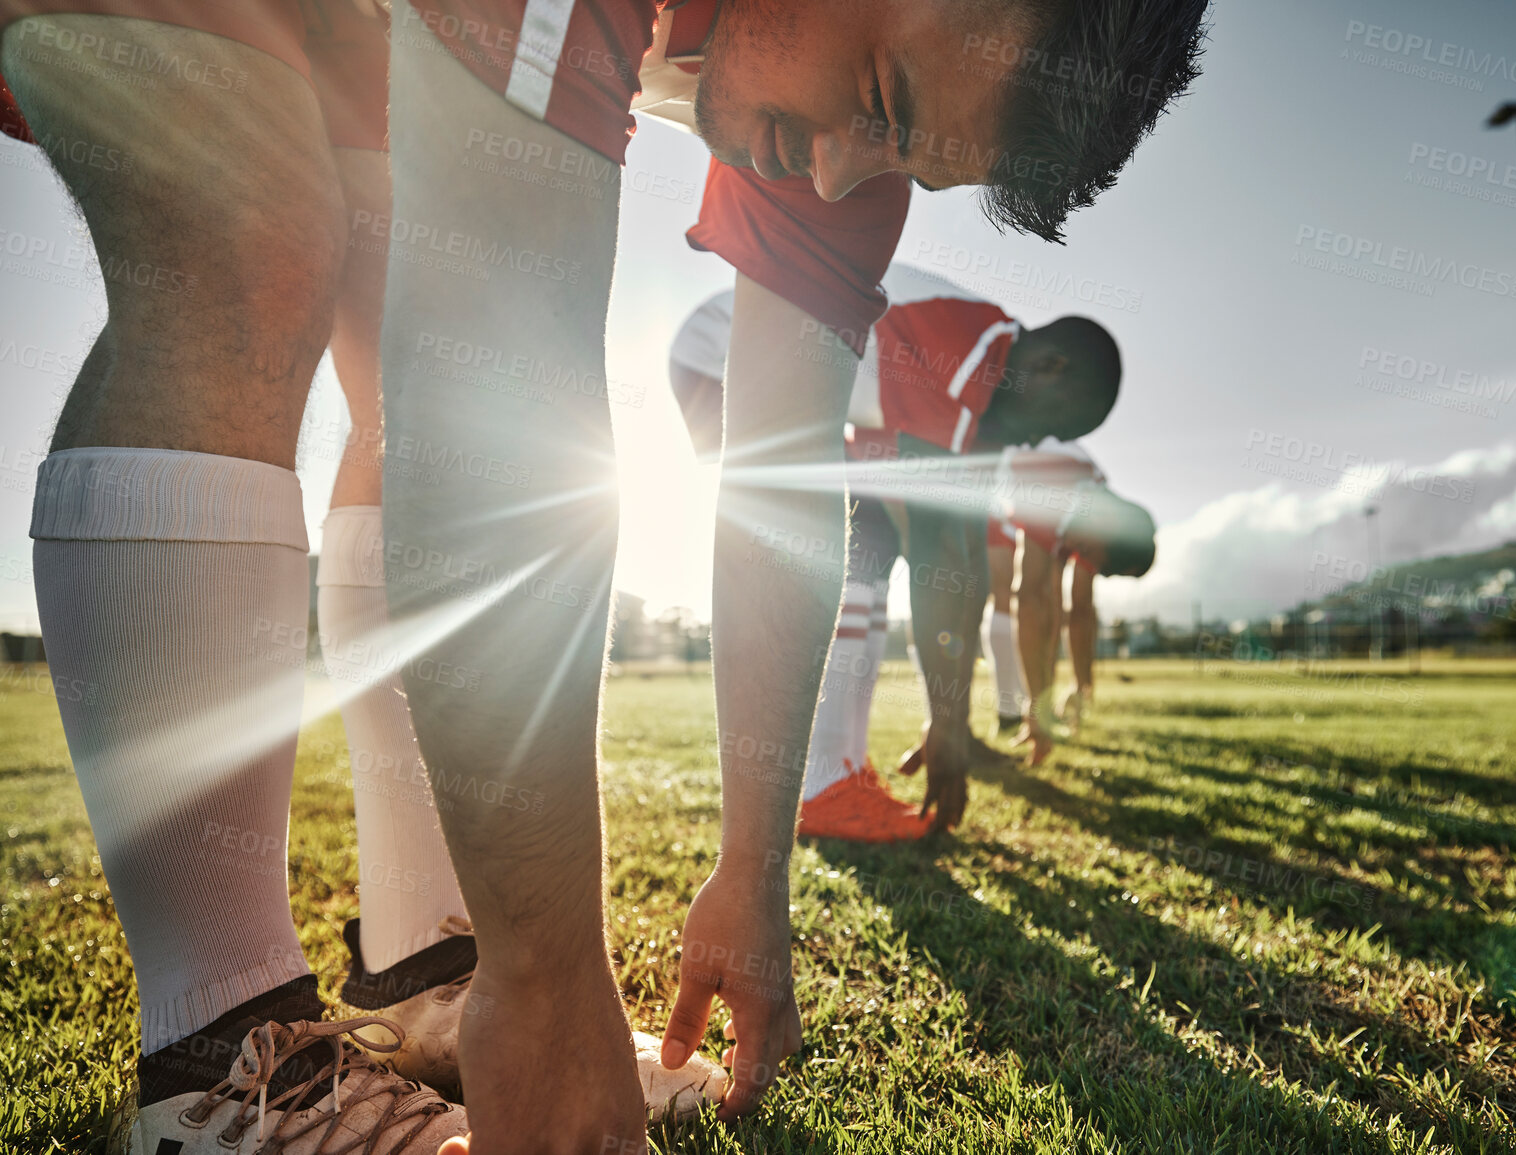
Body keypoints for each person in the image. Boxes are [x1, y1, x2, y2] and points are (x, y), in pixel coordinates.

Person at [2, 0, 1210, 1150]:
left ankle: (425, 962)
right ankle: (214, 1055)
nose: (841, 171)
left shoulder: (845, 146)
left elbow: (779, 495)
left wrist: (755, 871)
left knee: (390, 322)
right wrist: (550, 976)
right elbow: (495, 419)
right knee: (245, 235)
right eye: (879, 95)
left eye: (903, 159)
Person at [668, 263, 1122, 840]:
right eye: (1051, 423)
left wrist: (949, 717)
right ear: (1049, 366)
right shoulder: (964, 349)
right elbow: (937, 555)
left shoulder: (984, 378)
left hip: (816, 393)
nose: (1034, 441)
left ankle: (841, 775)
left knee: (870, 550)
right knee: (823, 552)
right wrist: (950, 727)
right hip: (723, 359)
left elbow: (968, 563)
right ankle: (821, 782)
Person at [994, 440, 1157, 764]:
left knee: (1048, 602)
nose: (1086, 562)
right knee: (1004, 593)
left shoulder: (1095, 511)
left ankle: (1036, 707)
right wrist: (1037, 706)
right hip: (968, 461)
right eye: (1095, 558)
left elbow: (1072, 610)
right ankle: (1001, 713)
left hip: (1015, 478)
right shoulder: (1054, 488)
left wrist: (1079, 687)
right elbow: (1028, 599)